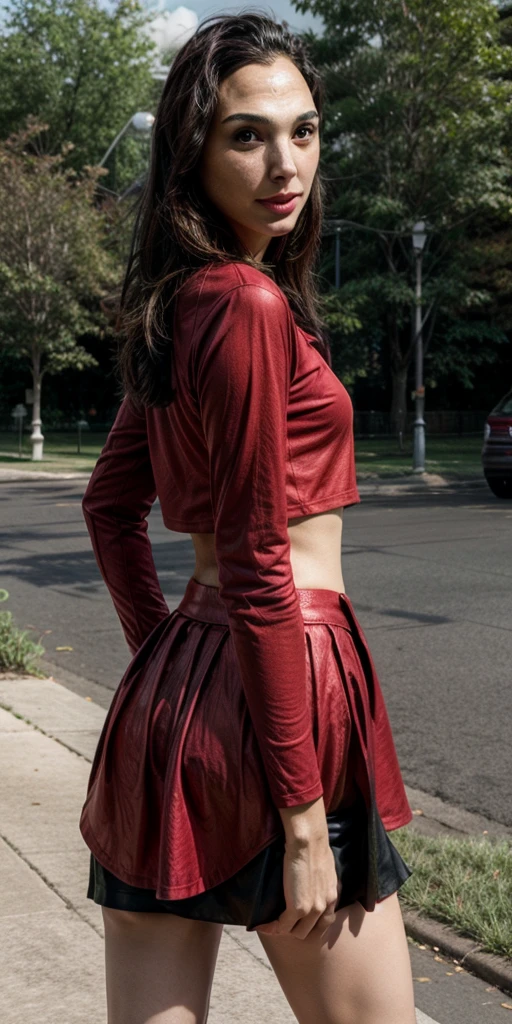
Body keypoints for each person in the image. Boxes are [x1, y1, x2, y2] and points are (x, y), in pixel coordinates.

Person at [79, 12, 417, 1024]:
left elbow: (110, 508)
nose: (285, 163)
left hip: (174, 702)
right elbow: (260, 557)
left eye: (304, 131)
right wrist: (305, 823)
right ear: (193, 151)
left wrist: (172, 664)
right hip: (289, 695)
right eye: (246, 135)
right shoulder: (246, 305)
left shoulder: (180, 302)